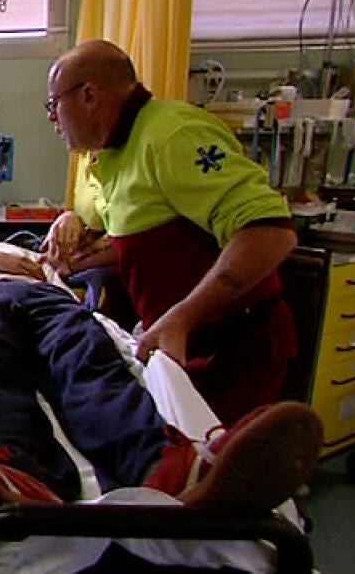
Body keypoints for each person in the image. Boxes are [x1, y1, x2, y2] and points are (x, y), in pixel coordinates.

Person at [0, 241, 322, 537]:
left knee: (86, 360)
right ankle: (18, 475)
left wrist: (56, 245)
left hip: (45, 297)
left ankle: (163, 468)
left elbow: (66, 269)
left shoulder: (30, 252)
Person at [41, 39, 298, 424]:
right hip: (181, 344)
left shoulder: (173, 134)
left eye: (53, 104)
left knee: (214, 455)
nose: (52, 118)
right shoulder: (114, 151)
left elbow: (270, 233)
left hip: (235, 346)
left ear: (89, 95)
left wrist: (184, 316)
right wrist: (78, 252)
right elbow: (152, 238)